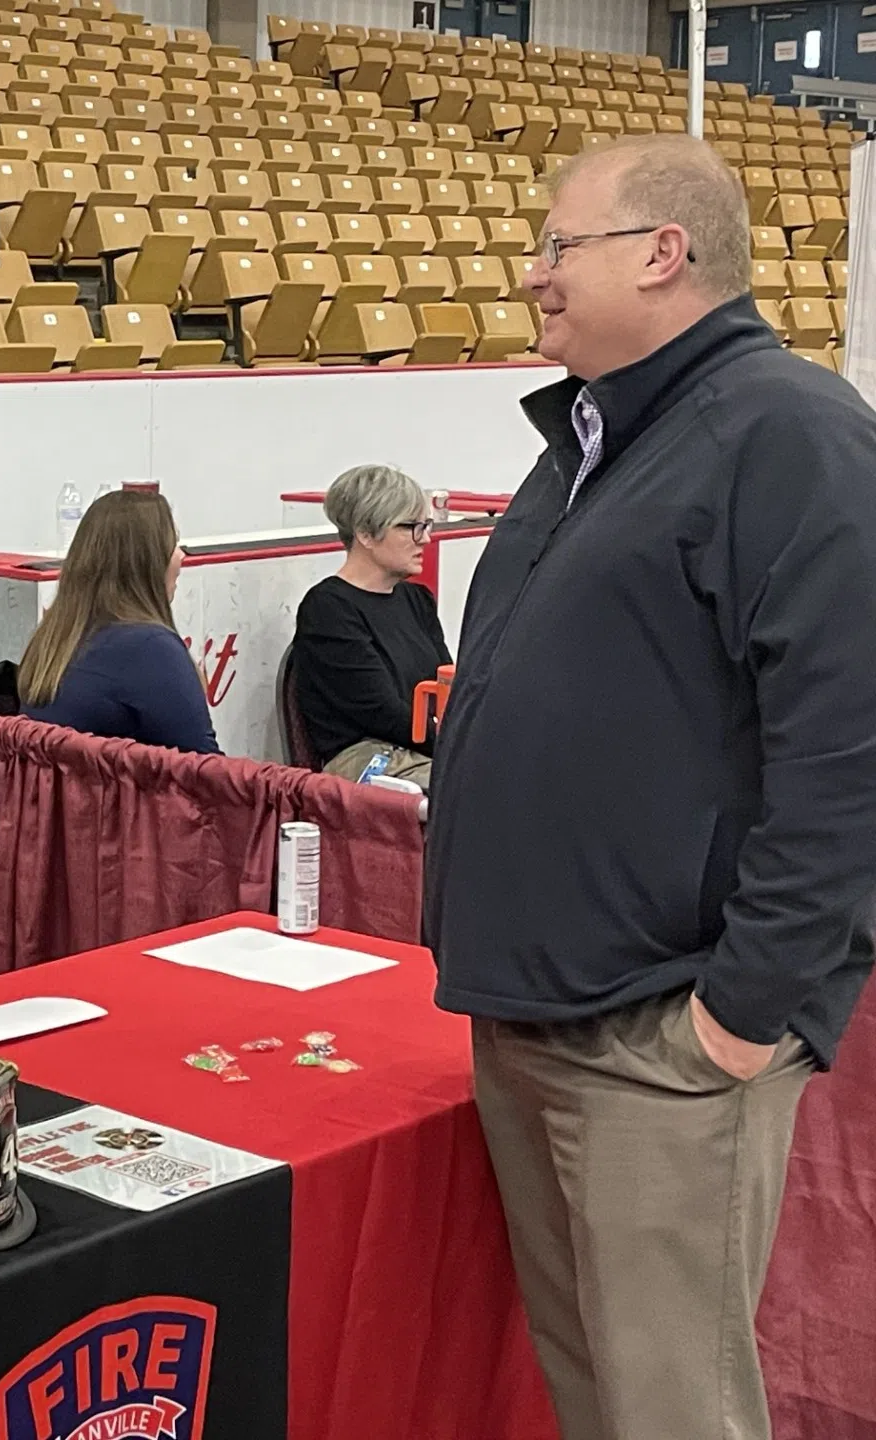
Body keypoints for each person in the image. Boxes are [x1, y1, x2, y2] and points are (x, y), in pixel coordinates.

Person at [427, 134, 876, 1440]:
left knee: (671, 1412)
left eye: (559, 246)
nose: (533, 276)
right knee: (596, 1399)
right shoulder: (594, 443)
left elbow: (849, 751)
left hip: (659, 1036)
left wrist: (736, 1018)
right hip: (544, 1010)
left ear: (662, 254)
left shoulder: (789, 434)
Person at [17, 489, 218, 755]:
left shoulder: (52, 639)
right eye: (173, 544)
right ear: (144, 562)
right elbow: (209, 775)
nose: (180, 555)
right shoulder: (151, 648)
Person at [291, 464, 451, 787]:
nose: (426, 538)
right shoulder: (327, 610)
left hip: (422, 753)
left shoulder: (417, 601)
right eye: (411, 528)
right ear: (365, 533)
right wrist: (460, 746)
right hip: (367, 761)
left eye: (426, 526)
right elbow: (382, 713)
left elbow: (446, 689)